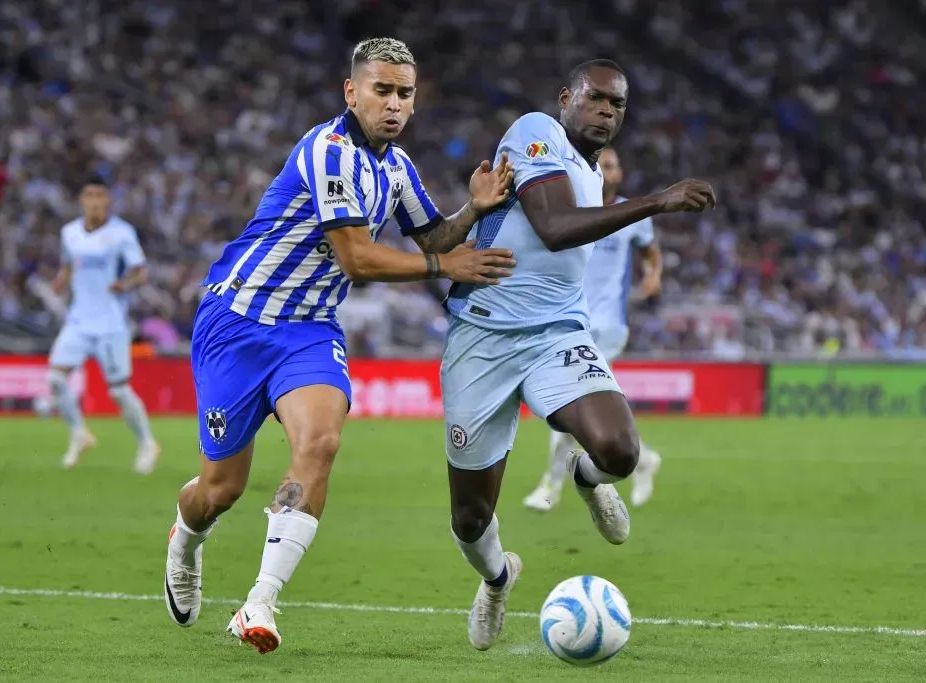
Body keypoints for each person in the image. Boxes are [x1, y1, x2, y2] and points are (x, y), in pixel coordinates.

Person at [163, 37, 516, 655]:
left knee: (321, 442)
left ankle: (258, 604)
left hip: (309, 330)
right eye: (382, 90)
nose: (394, 104)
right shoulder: (328, 152)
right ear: (351, 92)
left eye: (404, 93)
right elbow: (355, 257)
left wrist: (472, 209)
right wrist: (444, 266)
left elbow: (432, 234)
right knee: (219, 490)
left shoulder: (396, 167)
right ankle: (186, 540)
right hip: (239, 322)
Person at [440, 59, 715, 651]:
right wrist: (657, 201)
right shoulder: (535, 131)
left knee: (620, 450)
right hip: (483, 337)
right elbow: (556, 227)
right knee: (469, 519)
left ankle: (586, 479)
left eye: (617, 105)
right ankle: (496, 578)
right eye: (596, 99)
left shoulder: (591, 174)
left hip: (557, 334)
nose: (606, 112)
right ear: (566, 98)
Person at [523, 146, 664, 513]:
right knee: (579, 404)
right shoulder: (573, 208)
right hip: (570, 320)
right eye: (602, 163)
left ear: (619, 175)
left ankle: (551, 485)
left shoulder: (631, 213)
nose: (608, 169)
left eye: (614, 164)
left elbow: (651, 252)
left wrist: (654, 274)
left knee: (569, 398)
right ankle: (643, 459)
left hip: (608, 324)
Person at [48, 176, 160, 474]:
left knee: (118, 391)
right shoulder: (69, 232)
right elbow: (68, 265)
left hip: (110, 321)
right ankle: (78, 434)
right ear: (82, 200)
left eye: (99, 195)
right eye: (89, 195)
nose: (94, 200)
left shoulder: (122, 233)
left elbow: (141, 273)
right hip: (78, 319)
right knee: (57, 379)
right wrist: (61, 281)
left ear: (107, 199)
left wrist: (124, 285)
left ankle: (147, 442)